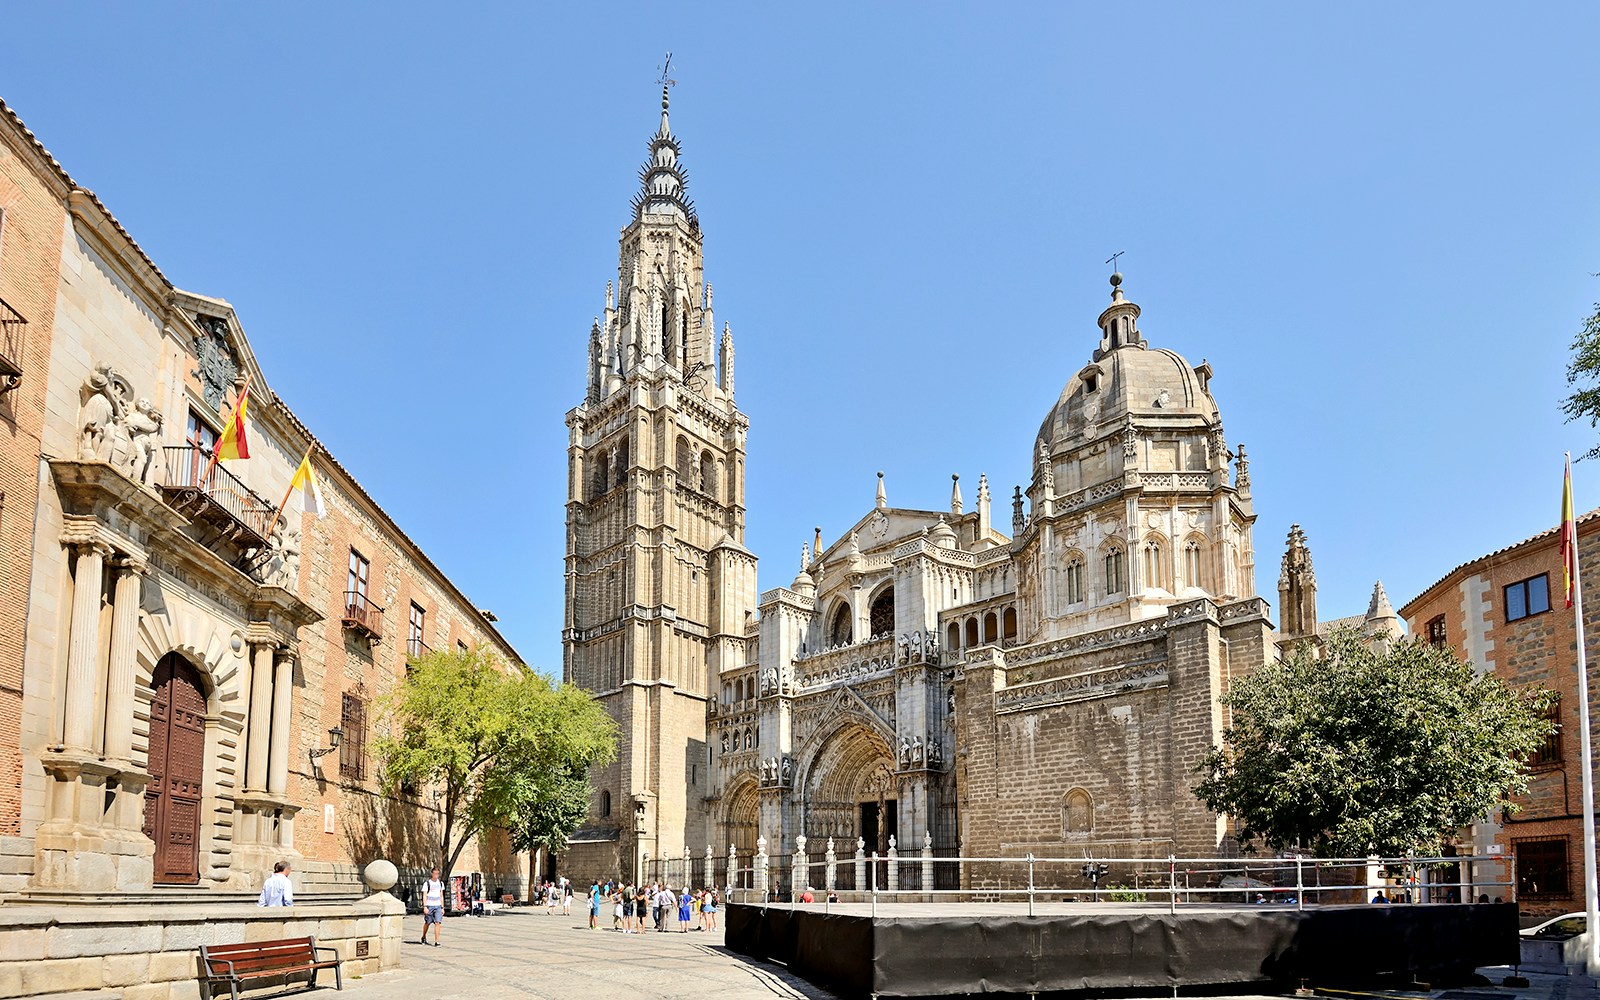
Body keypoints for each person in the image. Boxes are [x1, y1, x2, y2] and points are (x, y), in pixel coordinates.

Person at [421, 868, 446, 946]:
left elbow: (441, 896)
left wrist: (442, 907)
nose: (436, 875)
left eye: (437, 874)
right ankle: (424, 936)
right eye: (435, 873)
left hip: (438, 906)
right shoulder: (427, 883)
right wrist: (425, 907)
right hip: (429, 905)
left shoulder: (441, 883)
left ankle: (437, 941)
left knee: (437, 922)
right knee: (427, 923)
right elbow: (424, 895)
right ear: (432, 874)